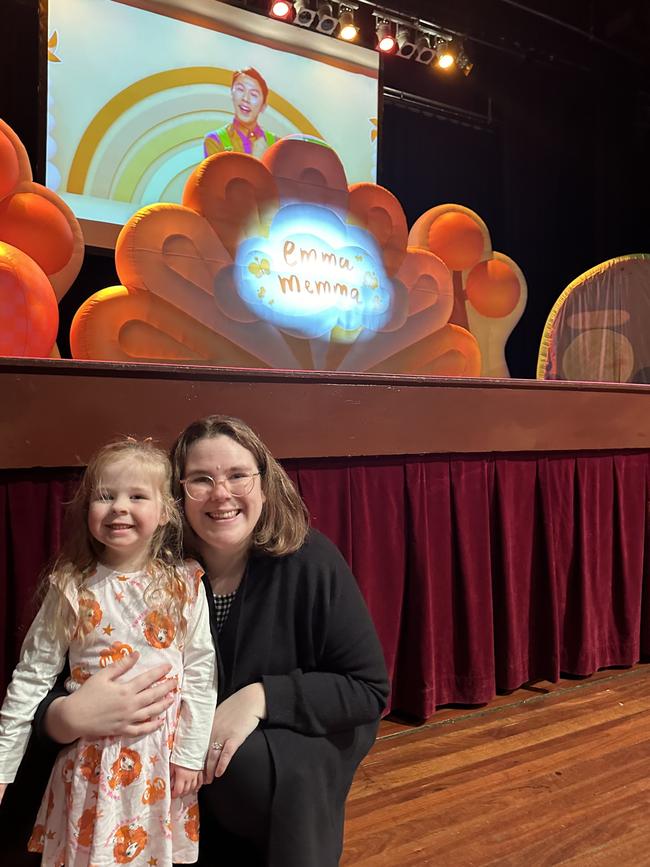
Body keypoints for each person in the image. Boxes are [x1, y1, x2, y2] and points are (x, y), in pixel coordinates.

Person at [36, 415, 389, 866]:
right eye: (201, 480)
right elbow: (50, 678)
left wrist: (260, 698)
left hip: (302, 725)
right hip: (169, 738)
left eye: (238, 476)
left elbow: (366, 689)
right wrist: (65, 717)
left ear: (265, 485)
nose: (222, 494)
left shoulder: (310, 560)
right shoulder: (148, 568)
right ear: (176, 498)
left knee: (247, 768)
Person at [0, 439, 216, 866]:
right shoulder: (69, 587)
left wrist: (190, 755)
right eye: (106, 495)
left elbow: (200, 673)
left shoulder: (186, 584)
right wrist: (2, 766)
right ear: (88, 509)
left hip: (159, 767)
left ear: (165, 511)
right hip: (90, 766)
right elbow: (31, 678)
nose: (120, 507)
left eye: (137, 496)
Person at [203, 67, 279, 159]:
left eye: (254, 94)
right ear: (232, 94)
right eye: (240, 89)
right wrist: (258, 160)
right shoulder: (215, 141)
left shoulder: (276, 144)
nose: (245, 98)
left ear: (263, 107)